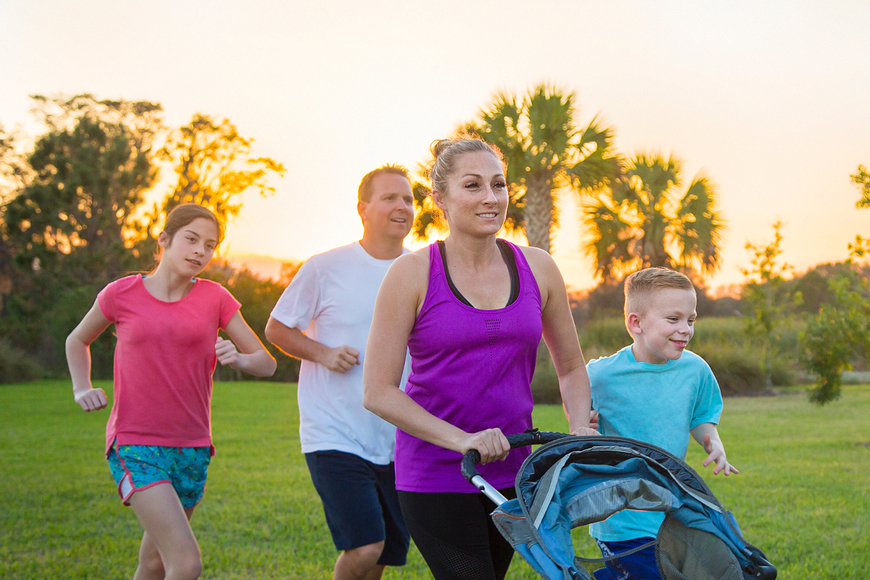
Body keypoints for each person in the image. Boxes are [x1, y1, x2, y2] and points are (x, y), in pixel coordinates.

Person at [362, 135, 597, 580]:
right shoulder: (411, 274)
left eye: (499, 184)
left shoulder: (538, 267)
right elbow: (377, 391)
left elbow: (570, 366)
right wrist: (462, 440)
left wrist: (580, 426)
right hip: (434, 472)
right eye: (472, 186)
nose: (491, 198)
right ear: (441, 199)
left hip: (515, 469)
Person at [66, 203, 277, 580]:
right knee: (186, 563)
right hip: (135, 444)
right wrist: (82, 387)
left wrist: (240, 359)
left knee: (154, 563)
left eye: (210, 245)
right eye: (191, 239)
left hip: (193, 448)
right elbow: (77, 339)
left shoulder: (216, 298)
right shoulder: (121, 293)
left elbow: (266, 361)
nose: (200, 251)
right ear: (164, 239)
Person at [264, 165, 413, 580]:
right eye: (389, 198)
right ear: (363, 209)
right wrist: (324, 353)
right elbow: (277, 328)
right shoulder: (324, 267)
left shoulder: (422, 269)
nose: (401, 206)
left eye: (408, 199)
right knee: (365, 546)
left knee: (384, 554)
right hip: (332, 432)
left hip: (394, 435)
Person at [586, 267, 738, 580]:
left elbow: (701, 416)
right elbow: (575, 398)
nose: (686, 329)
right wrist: (583, 420)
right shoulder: (601, 376)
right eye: (674, 319)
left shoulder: (695, 370)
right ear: (636, 323)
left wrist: (713, 441)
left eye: (691, 319)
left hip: (672, 512)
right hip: (621, 518)